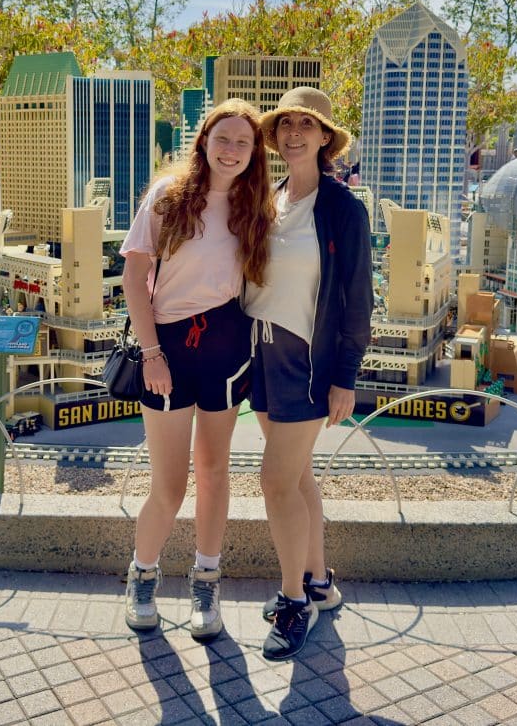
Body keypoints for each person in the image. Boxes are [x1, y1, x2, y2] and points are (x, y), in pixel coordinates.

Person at [120, 99, 274, 641]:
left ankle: (206, 582)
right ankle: (143, 576)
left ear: (255, 154)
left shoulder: (256, 207)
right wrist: (152, 353)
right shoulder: (167, 198)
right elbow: (134, 280)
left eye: (243, 143)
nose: (231, 150)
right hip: (169, 350)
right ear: (203, 141)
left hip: (227, 347)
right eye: (223, 139)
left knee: (213, 474)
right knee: (168, 485)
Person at [246, 86, 373, 661]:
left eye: (308, 124)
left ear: (326, 138)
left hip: (308, 363)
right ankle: (319, 581)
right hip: (263, 355)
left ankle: (295, 600)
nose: (294, 132)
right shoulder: (270, 198)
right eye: (286, 124)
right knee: (296, 479)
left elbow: (356, 299)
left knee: (274, 482)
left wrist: (345, 376)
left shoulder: (344, 208)